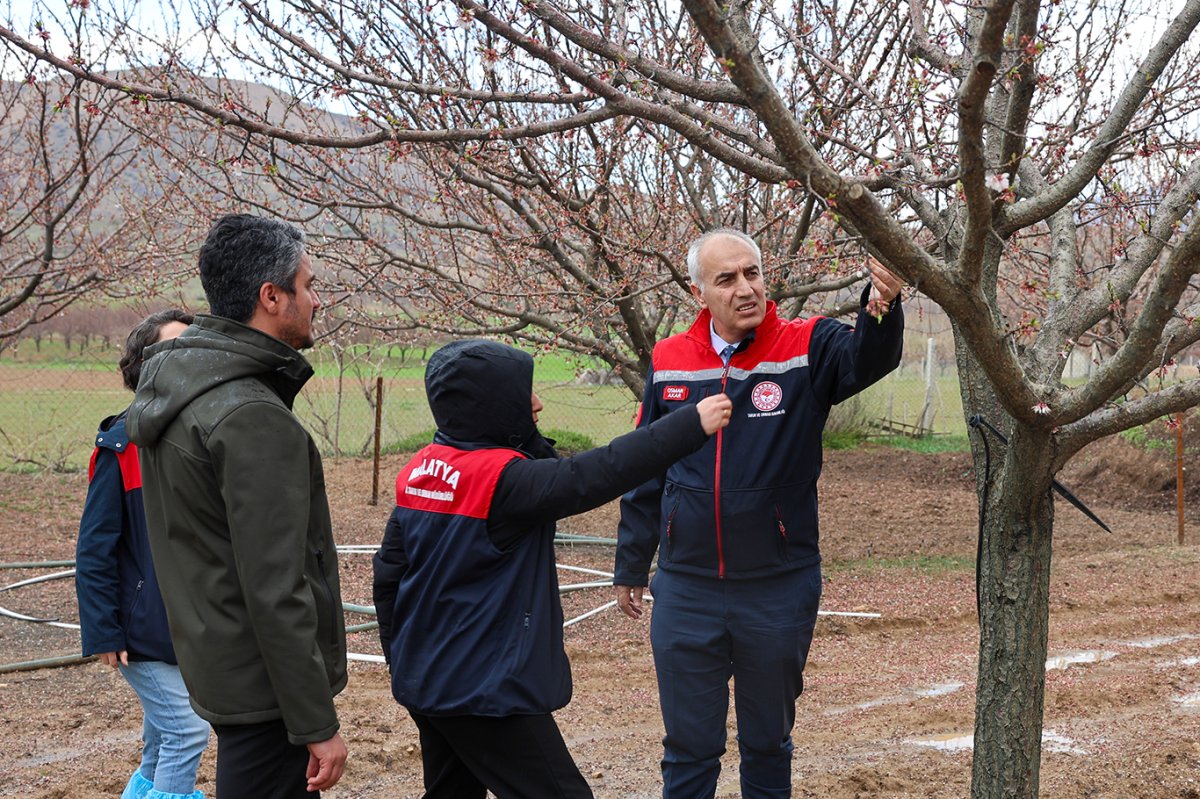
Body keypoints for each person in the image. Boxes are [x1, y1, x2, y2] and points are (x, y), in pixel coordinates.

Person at [372, 339, 733, 799]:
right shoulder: (503, 480)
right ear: (491, 405)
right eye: (524, 394)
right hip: (483, 694)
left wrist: (399, 660)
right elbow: (593, 475)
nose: (538, 402)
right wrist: (688, 425)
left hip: (426, 681)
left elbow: (388, 578)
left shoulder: (419, 472)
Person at [613, 229, 904, 798]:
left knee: (767, 743)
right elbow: (648, 465)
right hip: (687, 588)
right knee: (688, 748)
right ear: (700, 291)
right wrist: (631, 562)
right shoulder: (670, 360)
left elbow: (866, 359)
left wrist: (883, 304)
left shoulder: (807, 345)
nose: (745, 289)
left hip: (777, 587)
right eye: (727, 279)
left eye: (753, 273)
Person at [127, 214, 348, 798]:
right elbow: (276, 586)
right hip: (266, 691)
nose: (317, 300)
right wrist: (316, 722)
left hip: (223, 669)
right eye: (309, 285)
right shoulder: (250, 416)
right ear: (271, 297)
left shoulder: (183, 391)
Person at [76, 309, 211, 799]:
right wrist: (103, 629)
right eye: (172, 346)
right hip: (141, 630)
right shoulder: (121, 444)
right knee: (187, 731)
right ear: (142, 365)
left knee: (160, 736)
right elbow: (94, 548)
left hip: (189, 627)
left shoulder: (205, 433)